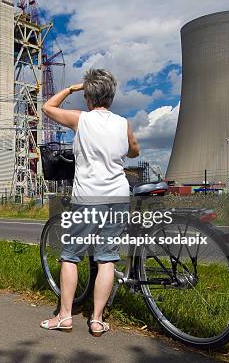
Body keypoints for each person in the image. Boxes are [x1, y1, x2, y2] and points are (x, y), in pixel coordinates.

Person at [39, 68, 140, 336]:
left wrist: (72, 89)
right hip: (118, 196)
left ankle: (64, 316)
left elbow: (47, 107)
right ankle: (96, 319)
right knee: (107, 259)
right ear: (111, 96)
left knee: (71, 256)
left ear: (88, 96)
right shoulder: (123, 123)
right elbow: (134, 150)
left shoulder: (80, 119)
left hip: (88, 198)